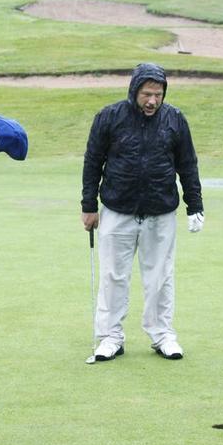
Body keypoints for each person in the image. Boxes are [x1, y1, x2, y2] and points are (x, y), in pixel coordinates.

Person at [81, 63, 204, 362]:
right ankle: (110, 337)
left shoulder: (175, 119)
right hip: (117, 209)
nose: (152, 101)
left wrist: (195, 205)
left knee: (160, 276)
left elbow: (187, 164)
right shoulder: (109, 117)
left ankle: (162, 335)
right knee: (113, 275)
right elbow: (93, 161)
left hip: (160, 211)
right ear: (134, 91)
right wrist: (89, 206)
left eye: (158, 95)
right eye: (147, 94)